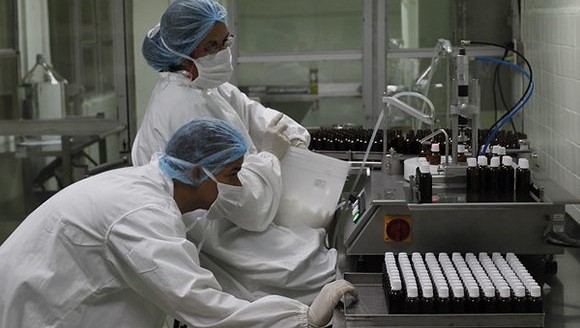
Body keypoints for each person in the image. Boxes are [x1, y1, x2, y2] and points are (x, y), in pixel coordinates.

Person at [0, 118, 357, 328]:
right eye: (233, 175)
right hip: (41, 315)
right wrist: (301, 319)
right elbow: (196, 301)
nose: (238, 186)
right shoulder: (141, 217)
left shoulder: (155, 190)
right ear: (195, 173)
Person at [133, 0, 337, 305]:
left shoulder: (205, 87)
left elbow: (254, 112)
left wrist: (290, 137)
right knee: (320, 270)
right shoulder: (184, 106)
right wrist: (268, 155)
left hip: (241, 221)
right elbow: (247, 207)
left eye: (225, 40)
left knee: (319, 244)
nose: (222, 52)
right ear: (184, 54)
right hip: (219, 238)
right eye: (210, 47)